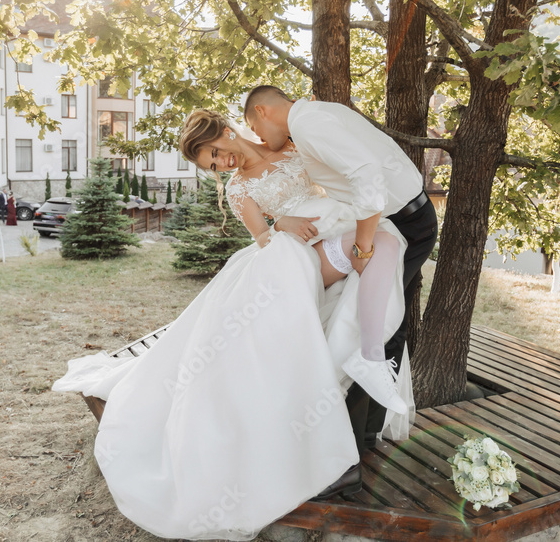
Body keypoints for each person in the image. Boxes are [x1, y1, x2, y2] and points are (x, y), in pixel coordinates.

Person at [51, 110, 411, 540]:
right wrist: (279, 222)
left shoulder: (290, 148)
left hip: (333, 226)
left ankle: (368, 355)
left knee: (384, 240)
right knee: (371, 245)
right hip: (292, 255)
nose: (223, 165)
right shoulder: (240, 189)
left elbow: (330, 176)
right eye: (213, 166)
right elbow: (262, 239)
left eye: (216, 154)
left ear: (226, 132)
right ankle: (363, 360)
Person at [243, 85, 439, 494]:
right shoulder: (314, 118)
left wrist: (364, 245)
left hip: (399, 223)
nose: (258, 137)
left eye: (254, 128)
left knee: (360, 325)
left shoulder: (309, 123)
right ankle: (360, 441)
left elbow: (367, 178)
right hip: (399, 218)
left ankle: (342, 458)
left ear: (262, 110)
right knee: (382, 323)